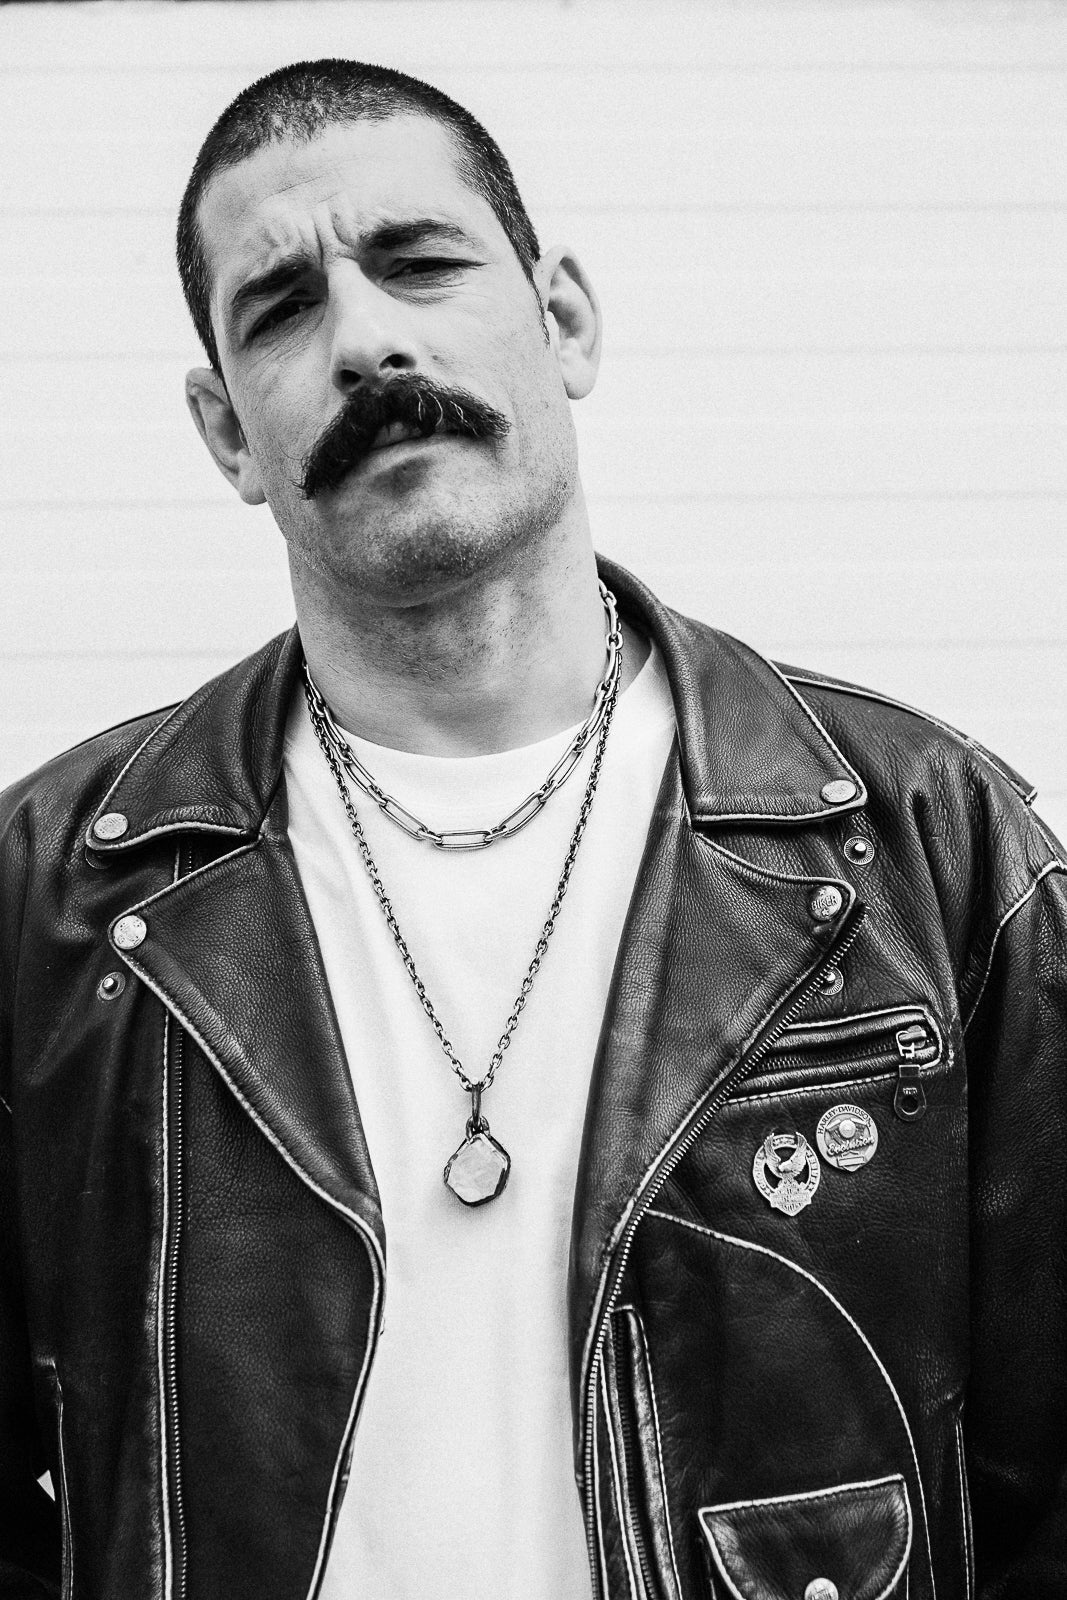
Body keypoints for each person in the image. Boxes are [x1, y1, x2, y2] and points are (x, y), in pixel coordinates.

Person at [0, 57, 1064, 1600]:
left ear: (561, 319)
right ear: (226, 432)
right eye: (281, 309)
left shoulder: (930, 844)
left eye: (420, 261)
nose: (366, 339)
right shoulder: (53, 895)